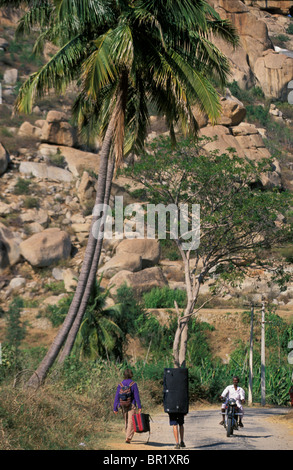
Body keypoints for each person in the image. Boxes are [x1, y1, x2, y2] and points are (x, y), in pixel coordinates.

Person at [113, 368, 142, 444]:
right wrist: (139, 406)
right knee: (131, 421)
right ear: (131, 375)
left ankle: (127, 435)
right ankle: (128, 437)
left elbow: (117, 396)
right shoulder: (133, 384)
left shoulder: (120, 384)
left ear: (124, 375)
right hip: (131, 405)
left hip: (122, 405)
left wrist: (115, 407)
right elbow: (136, 396)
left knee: (126, 421)